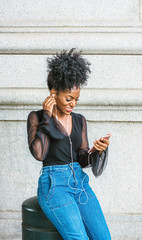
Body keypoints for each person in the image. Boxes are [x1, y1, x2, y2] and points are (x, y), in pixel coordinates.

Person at [27, 48, 112, 240]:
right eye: (69, 98)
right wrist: (47, 117)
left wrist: (96, 151)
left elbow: (82, 159)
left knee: (103, 237)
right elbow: (39, 153)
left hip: (80, 183)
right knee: (78, 238)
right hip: (54, 185)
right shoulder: (37, 117)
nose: (73, 104)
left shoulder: (80, 120)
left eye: (76, 99)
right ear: (53, 93)